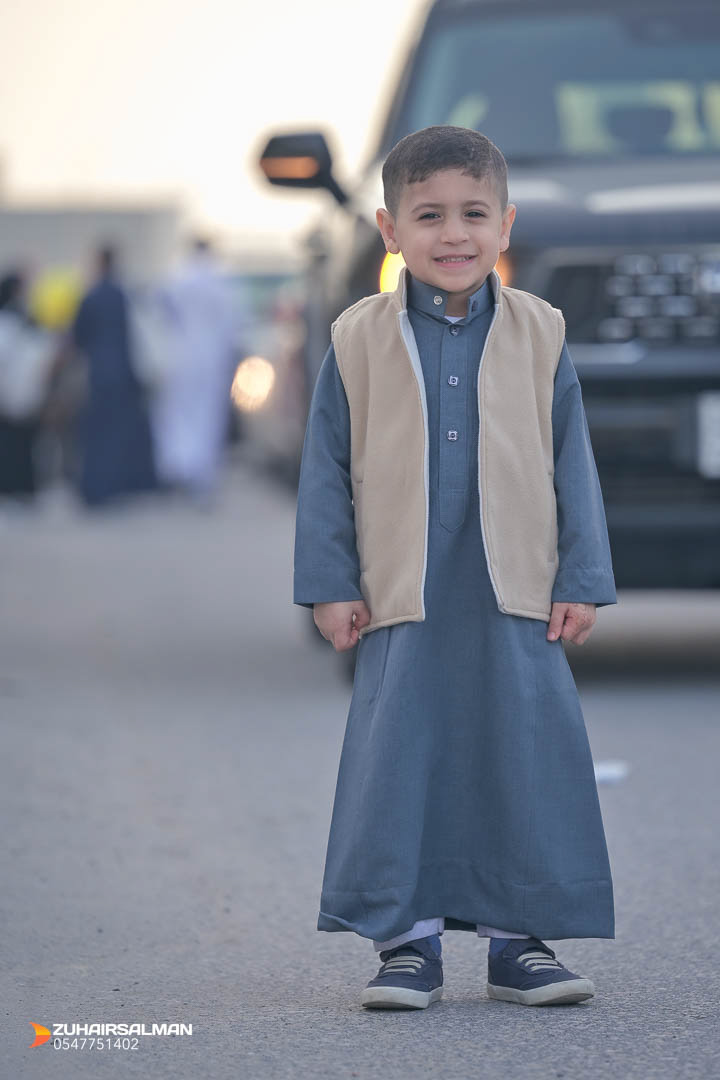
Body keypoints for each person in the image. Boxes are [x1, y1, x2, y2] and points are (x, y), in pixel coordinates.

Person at [293, 126, 618, 1011]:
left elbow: (572, 460)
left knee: (523, 753)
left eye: (474, 214)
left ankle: (520, 946)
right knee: (402, 756)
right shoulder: (357, 337)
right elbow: (325, 469)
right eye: (429, 215)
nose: (453, 234)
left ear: (505, 225)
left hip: (514, 585)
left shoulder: (540, 330)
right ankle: (408, 945)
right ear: (389, 228)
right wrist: (329, 584)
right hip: (403, 587)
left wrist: (581, 577)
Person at [150, 237, 238, 504]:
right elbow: (232, 324)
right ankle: (201, 476)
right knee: (206, 417)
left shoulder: (178, 279)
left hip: (181, 357)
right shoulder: (220, 282)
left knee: (178, 415)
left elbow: (161, 312)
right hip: (211, 360)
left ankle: (177, 470)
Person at [70, 245, 157, 507]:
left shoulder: (93, 295)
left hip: (100, 374)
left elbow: (79, 335)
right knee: (119, 432)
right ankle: (119, 485)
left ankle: (98, 489)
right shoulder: (125, 295)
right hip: (125, 373)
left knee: (98, 434)